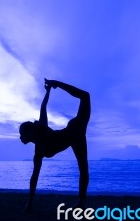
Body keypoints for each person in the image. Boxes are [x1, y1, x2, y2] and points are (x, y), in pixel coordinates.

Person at [20, 78, 91, 212]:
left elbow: (43, 106)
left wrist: (52, 87)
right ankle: (81, 203)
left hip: (75, 130)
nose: (20, 137)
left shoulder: (41, 128)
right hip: (72, 135)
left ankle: (82, 203)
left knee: (85, 96)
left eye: (22, 134)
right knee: (83, 169)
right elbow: (34, 176)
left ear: (30, 133)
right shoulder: (38, 152)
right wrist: (29, 204)